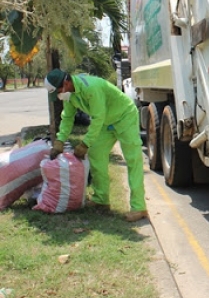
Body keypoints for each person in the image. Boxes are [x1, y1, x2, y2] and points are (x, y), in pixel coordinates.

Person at [44, 69, 147, 222]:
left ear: (66, 83)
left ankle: (139, 208)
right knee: (96, 155)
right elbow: (67, 118)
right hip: (106, 122)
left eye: (58, 91)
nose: (58, 96)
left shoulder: (91, 87)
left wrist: (85, 143)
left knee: (133, 160)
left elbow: (97, 117)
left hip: (124, 116)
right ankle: (101, 200)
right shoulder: (70, 95)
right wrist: (59, 141)